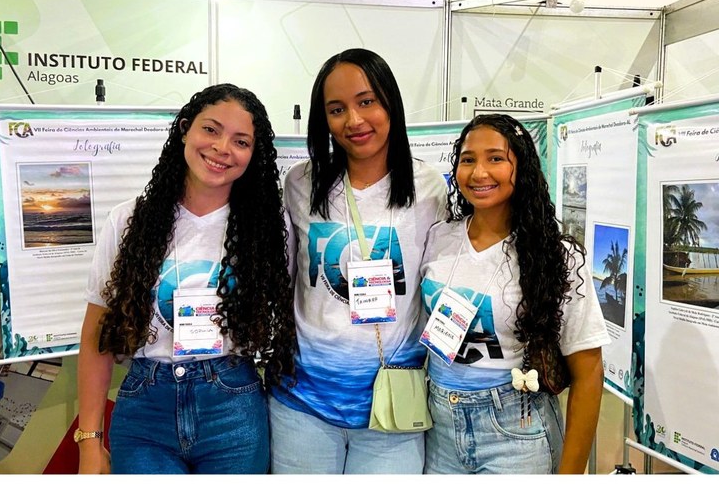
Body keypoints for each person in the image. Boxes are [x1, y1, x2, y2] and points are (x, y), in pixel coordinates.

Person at [77, 84, 296, 474]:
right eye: (210, 129)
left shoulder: (267, 228)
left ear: (254, 153)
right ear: (184, 130)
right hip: (146, 411)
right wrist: (89, 440)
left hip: (232, 408)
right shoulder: (129, 220)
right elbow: (97, 334)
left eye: (241, 141)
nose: (222, 148)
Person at [269, 48, 447, 474]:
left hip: (393, 407)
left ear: (390, 103)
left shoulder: (428, 187)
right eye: (336, 109)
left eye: (367, 102)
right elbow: (285, 279)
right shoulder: (301, 183)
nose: (354, 120)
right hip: (303, 405)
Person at [419, 113, 610, 474]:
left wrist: (570, 474)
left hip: (517, 431)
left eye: (495, 158)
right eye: (468, 159)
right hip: (439, 428)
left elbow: (588, 373)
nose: (479, 173)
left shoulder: (558, 256)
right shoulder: (439, 237)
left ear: (521, 168)